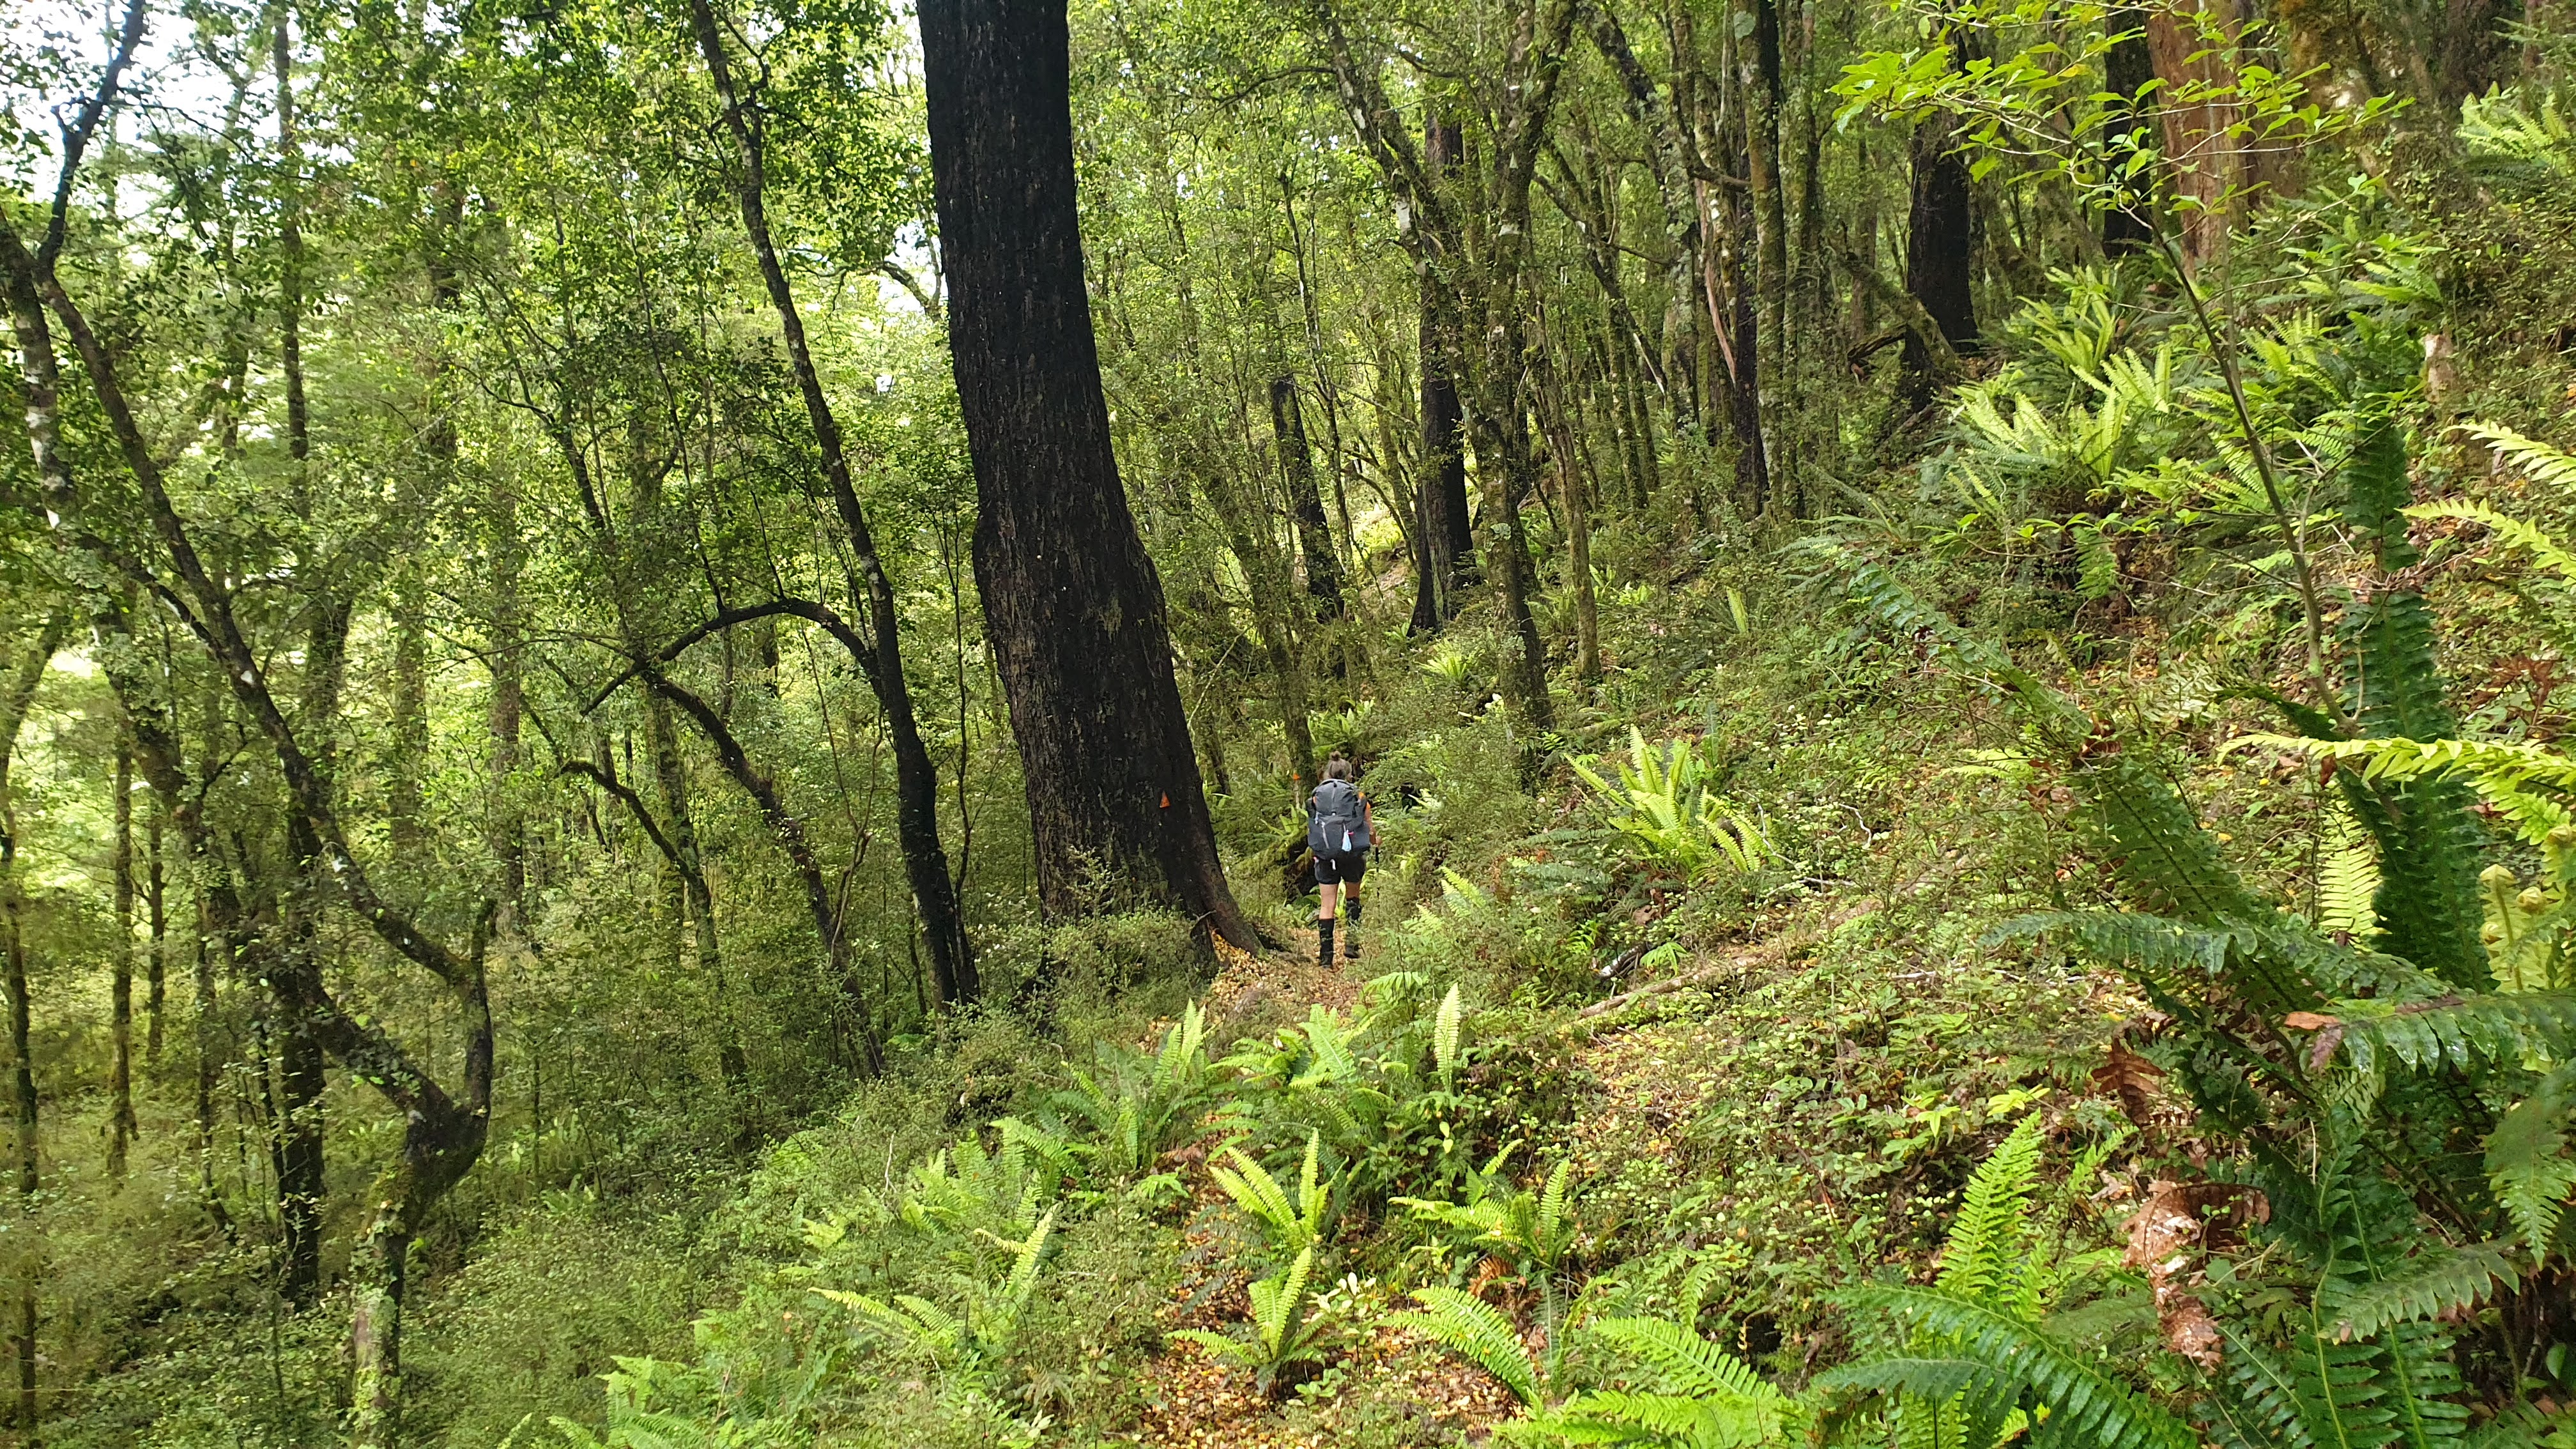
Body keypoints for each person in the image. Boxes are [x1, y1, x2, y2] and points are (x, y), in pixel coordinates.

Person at [1308, 756, 1374, 964]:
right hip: (1352, 856)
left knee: (1327, 904)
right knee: (1353, 897)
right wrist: (1375, 841)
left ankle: (1326, 958)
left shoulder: (1318, 798)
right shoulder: (1358, 797)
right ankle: (1352, 945)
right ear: (1349, 775)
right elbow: (1370, 830)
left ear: (1327, 774)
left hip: (1325, 856)